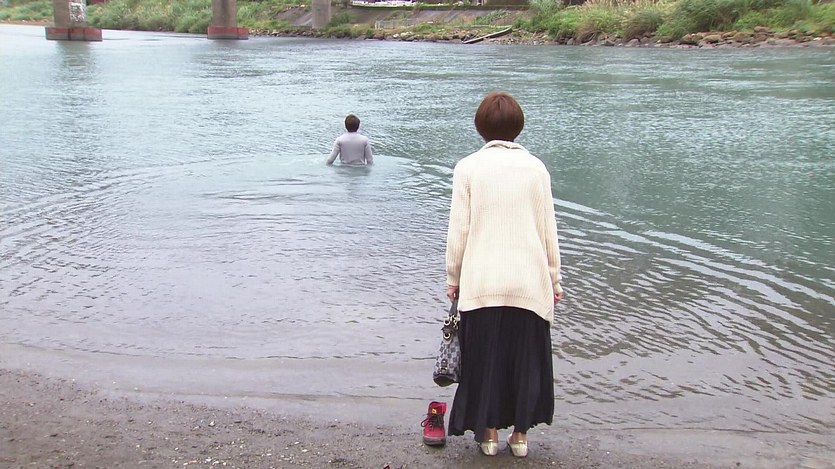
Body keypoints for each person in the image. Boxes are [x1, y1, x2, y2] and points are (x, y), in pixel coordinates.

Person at [444, 91, 564, 458]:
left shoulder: (468, 168)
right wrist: (554, 279)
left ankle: (490, 435)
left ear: (480, 127)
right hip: (529, 282)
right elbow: (548, 229)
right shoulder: (536, 169)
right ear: (518, 126)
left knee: (486, 361)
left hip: (482, 282)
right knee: (525, 361)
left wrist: (453, 277)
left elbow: (459, 230)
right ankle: (521, 438)